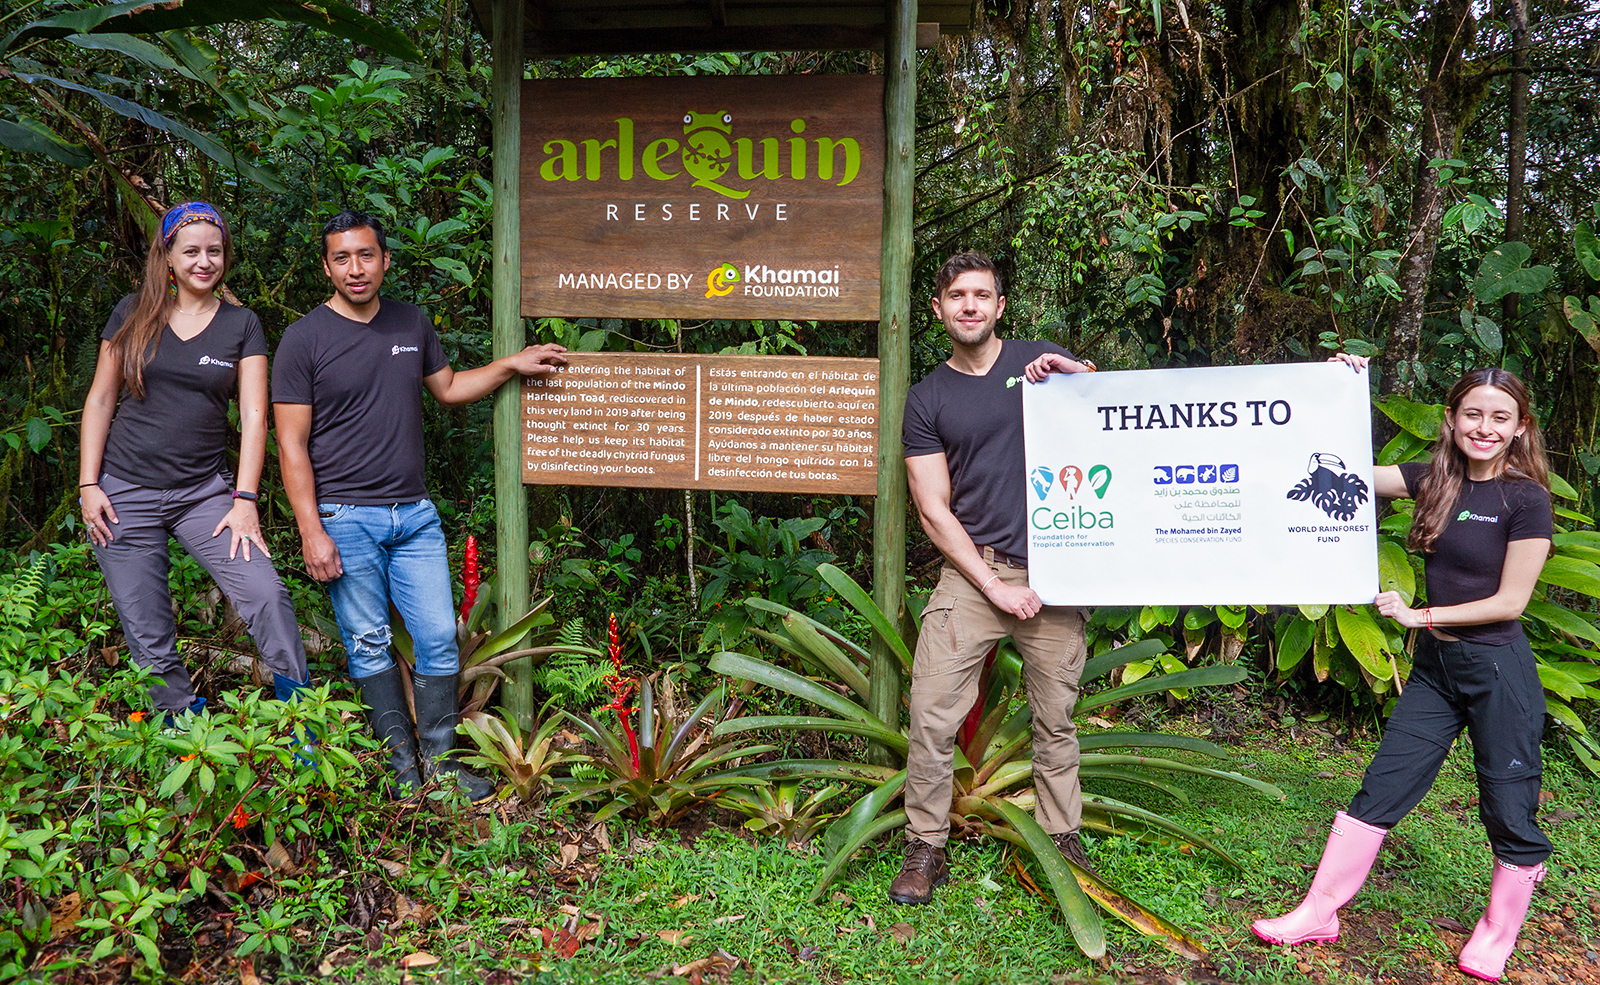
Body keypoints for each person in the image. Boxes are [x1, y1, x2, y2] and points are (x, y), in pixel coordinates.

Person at [1254, 361, 1553, 983]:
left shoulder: (1525, 499)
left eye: (1501, 418)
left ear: (1520, 427)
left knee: (1508, 803)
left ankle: (1496, 936)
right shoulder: (1433, 479)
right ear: (1451, 419)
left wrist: (1421, 616)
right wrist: (1339, 387)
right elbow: (1341, 472)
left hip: (1498, 670)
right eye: (1473, 413)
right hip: (1437, 670)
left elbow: (1510, 602)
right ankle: (1319, 911)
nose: (1485, 427)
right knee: (1382, 787)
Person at [272, 209, 566, 802]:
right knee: (368, 641)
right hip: (344, 517)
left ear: (385, 260)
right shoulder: (303, 339)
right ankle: (400, 768)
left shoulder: (411, 321)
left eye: (366, 256)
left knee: (436, 636)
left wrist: (511, 363)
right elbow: (290, 444)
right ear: (326, 266)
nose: (356, 269)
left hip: (414, 516)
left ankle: (442, 766)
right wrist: (311, 529)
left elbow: (450, 389)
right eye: (342, 258)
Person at [893, 251, 1098, 905]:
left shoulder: (1038, 364)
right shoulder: (928, 397)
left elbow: (1103, 406)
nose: (971, 305)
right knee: (930, 714)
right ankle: (925, 846)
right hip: (975, 571)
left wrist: (1075, 372)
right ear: (939, 308)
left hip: (1056, 568)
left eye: (982, 294)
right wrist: (994, 585)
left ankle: (1061, 838)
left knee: (1057, 716)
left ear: (1000, 305)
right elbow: (932, 509)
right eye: (958, 295)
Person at [80, 202, 311, 719]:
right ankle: (185, 734)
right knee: (146, 628)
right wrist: (87, 484)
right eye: (191, 251)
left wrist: (245, 499)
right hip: (123, 492)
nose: (204, 261)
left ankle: (303, 724)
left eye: (215, 250)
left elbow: (255, 418)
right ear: (167, 258)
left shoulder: (241, 324)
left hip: (204, 495)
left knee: (265, 594)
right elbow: (100, 399)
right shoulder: (132, 312)